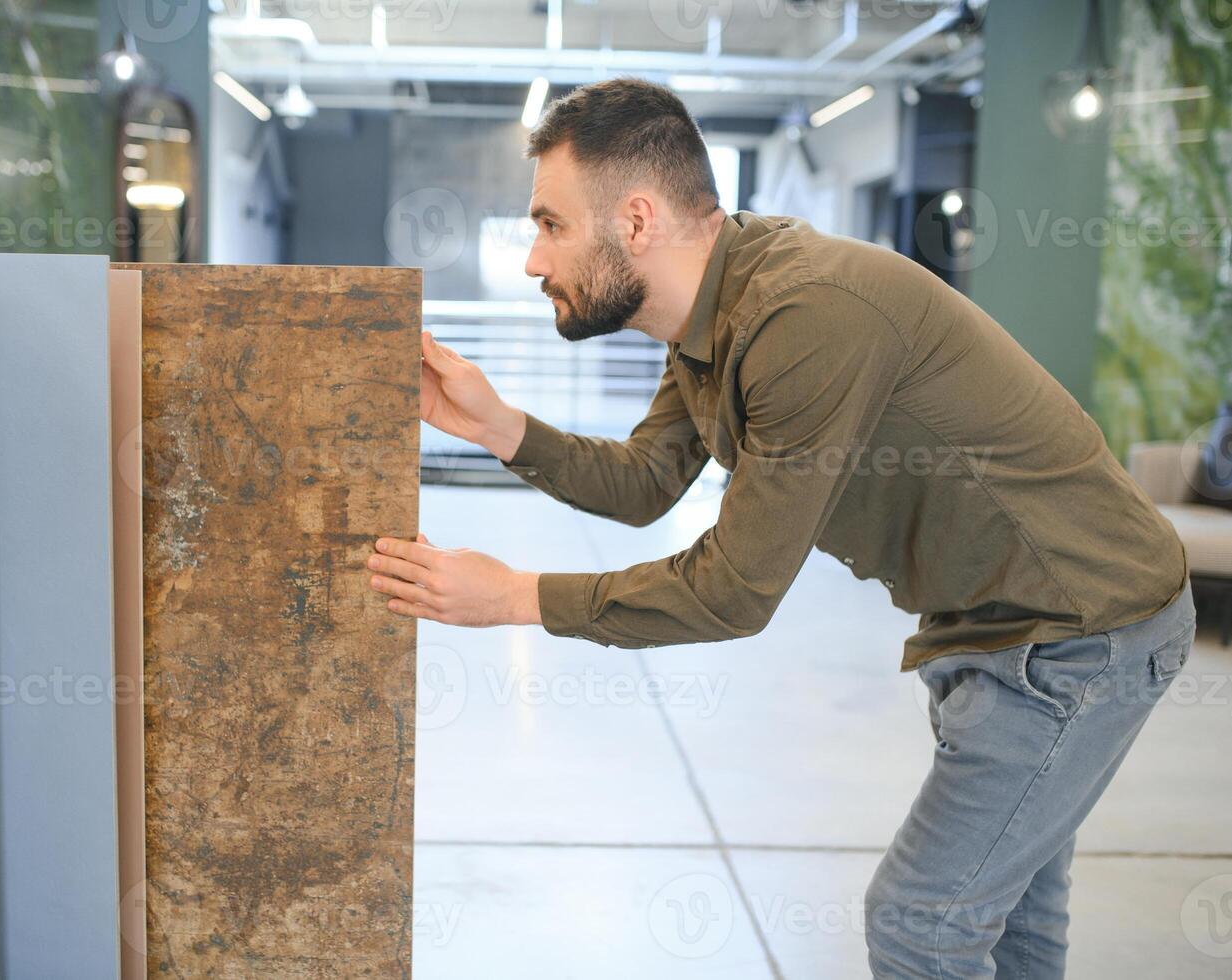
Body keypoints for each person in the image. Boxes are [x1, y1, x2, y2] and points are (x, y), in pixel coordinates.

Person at [365, 78, 1191, 978]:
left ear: (636, 221)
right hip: (991, 627)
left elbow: (734, 590)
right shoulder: (713, 307)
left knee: (921, 924)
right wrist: (497, 427)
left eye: (549, 225)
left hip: (1080, 631)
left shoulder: (803, 316)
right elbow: (649, 481)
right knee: (1011, 923)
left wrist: (516, 597)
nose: (532, 260)